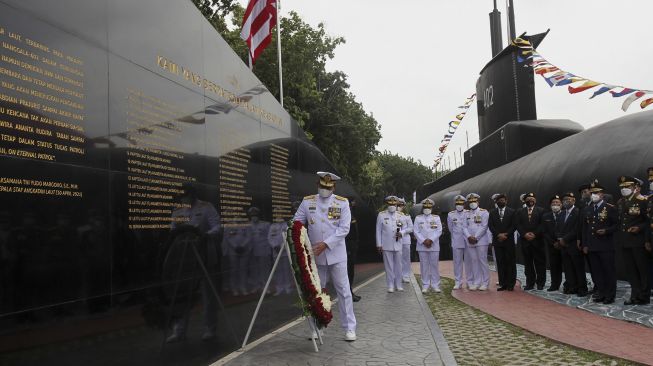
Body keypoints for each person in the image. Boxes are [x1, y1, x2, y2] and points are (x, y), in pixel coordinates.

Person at [293, 171, 356, 341]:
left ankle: (350, 327)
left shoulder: (342, 203)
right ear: (317, 185)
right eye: (322, 187)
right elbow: (297, 222)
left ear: (333, 187)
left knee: (344, 291)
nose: (324, 190)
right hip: (315, 256)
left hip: (336, 255)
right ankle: (317, 327)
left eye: (328, 187)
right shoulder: (308, 202)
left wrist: (326, 244)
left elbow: (344, 229)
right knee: (317, 292)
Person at [167, 183, 220, 342]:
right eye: (182, 196)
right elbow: (172, 230)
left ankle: (209, 329)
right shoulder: (177, 211)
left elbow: (217, 226)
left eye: (187, 195)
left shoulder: (206, 207)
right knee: (182, 294)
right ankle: (179, 330)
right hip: (184, 257)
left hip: (203, 254)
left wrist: (205, 235)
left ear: (193, 195)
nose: (185, 198)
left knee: (207, 294)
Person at [580, 179, 618, 304]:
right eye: (592, 193)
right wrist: (585, 244)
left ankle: (610, 295)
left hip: (605, 245)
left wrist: (606, 231)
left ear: (602, 194)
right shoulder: (588, 209)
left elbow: (616, 225)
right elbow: (585, 228)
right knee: (596, 272)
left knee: (608, 271)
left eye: (596, 192)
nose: (594, 195)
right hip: (592, 246)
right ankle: (601, 292)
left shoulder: (609, 208)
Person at [616, 175, 650, 305]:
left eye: (627, 186)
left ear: (634, 187)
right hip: (625, 241)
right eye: (622, 187)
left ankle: (644, 296)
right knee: (631, 270)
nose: (624, 189)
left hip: (638, 241)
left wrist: (639, 228)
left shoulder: (642, 200)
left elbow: (648, 221)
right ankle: (635, 295)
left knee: (642, 269)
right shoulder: (621, 202)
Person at [515, 192, 546, 290]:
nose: (530, 200)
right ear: (525, 200)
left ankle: (540, 283)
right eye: (528, 199)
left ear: (535, 200)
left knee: (540, 263)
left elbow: (542, 224)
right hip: (525, 242)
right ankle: (530, 283)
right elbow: (518, 224)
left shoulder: (541, 210)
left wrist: (534, 234)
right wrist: (524, 234)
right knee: (528, 264)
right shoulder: (520, 211)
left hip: (538, 241)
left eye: (532, 198)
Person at [559, 192, 587, 296]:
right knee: (568, 268)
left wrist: (565, 239)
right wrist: (560, 239)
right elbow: (558, 228)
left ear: (574, 200)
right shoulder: (562, 213)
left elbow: (577, 229)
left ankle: (582, 288)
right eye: (565, 199)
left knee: (578, 268)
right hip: (564, 246)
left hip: (574, 245)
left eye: (569, 199)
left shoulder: (578, 212)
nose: (566, 201)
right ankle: (572, 287)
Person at [376, 196, 405, 293]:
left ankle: (399, 284)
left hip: (398, 243)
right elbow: (378, 230)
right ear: (387, 204)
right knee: (389, 266)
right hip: (386, 244)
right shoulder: (381, 215)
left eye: (394, 204)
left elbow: (407, 228)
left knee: (399, 265)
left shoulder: (401, 215)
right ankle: (390, 285)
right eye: (390, 204)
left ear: (397, 204)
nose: (392, 206)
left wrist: (402, 233)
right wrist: (379, 244)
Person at [488, 194, 517, 291]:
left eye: (503, 200)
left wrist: (506, 234)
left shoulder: (512, 212)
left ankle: (511, 284)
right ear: (496, 202)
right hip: (498, 241)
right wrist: (498, 235)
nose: (501, 201)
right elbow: (491, 226)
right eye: (499, 200)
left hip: (508, 241)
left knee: (510, 262)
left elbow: (514, 225)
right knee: (500, 263)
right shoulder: (492, 213)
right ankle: (502, 283)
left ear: (506, 201)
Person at [413, 199, 443, 293]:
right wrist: (424, 241)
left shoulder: (436, 218)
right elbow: (416, 231)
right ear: (423, 208)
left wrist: (431, 240)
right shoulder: (418, 218)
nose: (427, 209)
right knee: (424, 266)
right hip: (422, 246)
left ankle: (435, 285)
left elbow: (439, 231)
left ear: (431, 208)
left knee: (434, 265)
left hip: (434, 245)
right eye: (425, 207)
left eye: (429, 207)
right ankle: (425, 285)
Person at [463, 193, 490, 291]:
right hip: (470, 241)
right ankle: (476, 282)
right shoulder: (466, 213)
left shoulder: (484, 212)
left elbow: (484, 226)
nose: (472, 203)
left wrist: (475, 237)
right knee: (474, 261)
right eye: (470, 202)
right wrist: (469, 236)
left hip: (481, 240)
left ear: (478, 202)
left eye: (474, 201)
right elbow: (464, 227)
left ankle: (485, 282)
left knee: (482, 261)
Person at [542, 195, 565, 292]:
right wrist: (553, 243)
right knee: (554, 266)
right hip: (552, 246)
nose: (555, 204)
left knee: (567, 266)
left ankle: (570, 285)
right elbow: (545, 232)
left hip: (564, 245)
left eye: (557, 202)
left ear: (561, 204)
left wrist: (562, 242)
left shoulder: (565, 214)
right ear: (550, 205)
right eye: (553, 203)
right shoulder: (546, 216)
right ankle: (554, 284)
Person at [247, 207, 272, 294]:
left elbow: (269, 237)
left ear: (258, 215)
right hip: (252, 250)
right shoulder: (248, 225)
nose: (254, 217)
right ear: (250, 216)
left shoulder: (265, 224)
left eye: (256, 215)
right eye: (252, 215)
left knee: (264, 270)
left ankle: (266, 287)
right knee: (254, 270)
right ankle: (256, 286)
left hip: (263, 250)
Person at [447, 195, 468, 290]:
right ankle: (458, 282)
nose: (459, 205)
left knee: (469, 262)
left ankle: (470, 281)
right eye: (457, 204)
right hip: (456, 241)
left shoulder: (468, 213)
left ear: (464, 204)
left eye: (461, 203)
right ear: (455, 204)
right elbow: (450, 228)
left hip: (467, 241)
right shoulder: (451, 214)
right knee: (457, 262)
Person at [346, 197, 361, 302]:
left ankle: (350, 292)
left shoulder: (351, 213)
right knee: (348, 271)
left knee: (350, 271)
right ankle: (348, 293)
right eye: (352, 202)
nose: (354, 204)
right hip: (347, 247)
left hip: (352, 246)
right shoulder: (346, 214)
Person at [398, 198, 414, 284]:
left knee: (406, 259)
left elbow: (411, 228)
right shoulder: (392, 216)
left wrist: (403, 232)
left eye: (401, 205)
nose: (399, 207)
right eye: (398, 205)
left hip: (405, 240)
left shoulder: (407, 216)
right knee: (397, 259)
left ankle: (406, 275)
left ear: (404, 206)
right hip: (396, 240)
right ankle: (398, 276)